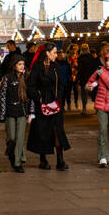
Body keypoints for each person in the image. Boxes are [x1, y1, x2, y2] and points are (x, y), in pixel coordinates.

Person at [27, 42, 71, 170]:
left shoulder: (55, 66)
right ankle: (43, 160)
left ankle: (60, 160)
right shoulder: (37, 67)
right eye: (54, 53)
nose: (56, 55)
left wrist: (59, 99)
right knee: (42, 132)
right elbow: (31, 86)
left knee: (57, 131)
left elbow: (61, 84)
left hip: (55, 103)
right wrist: (39, 98)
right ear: (47, 53)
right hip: (41, 104)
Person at [0, 53, 31, 173]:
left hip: (22, 111)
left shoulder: (27, 77)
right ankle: (14, 154)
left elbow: (31, 96)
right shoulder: (7, 78)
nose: (22, 67)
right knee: (11, 138)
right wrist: (2, 113)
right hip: (10, 112)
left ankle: (17, 162)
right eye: (19, 64)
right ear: (14, 65)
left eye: (23, 64)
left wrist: (31, 112)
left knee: (20, 137)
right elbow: (1, 95)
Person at [76, 43, 96, 115]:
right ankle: (96, 107)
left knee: (84, 93)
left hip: (83, 78)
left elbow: (79, 69)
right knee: (92, 93)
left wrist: (77, 79)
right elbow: (94, 68)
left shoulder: (79, 58)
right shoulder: (91, 57)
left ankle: (84, 108)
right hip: (90, 78)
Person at [66, 44, 79, 111]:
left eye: (75, 49)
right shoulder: (67, 57)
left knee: (76, 90)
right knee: (68, 91)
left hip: (76, 76)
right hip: (69, 76)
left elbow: (79, 67)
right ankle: (68, 104)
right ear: (70, 49)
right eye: (73, 49)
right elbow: (66, 66)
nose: (74, 50)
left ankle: (76, 102)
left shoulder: (77, 57)